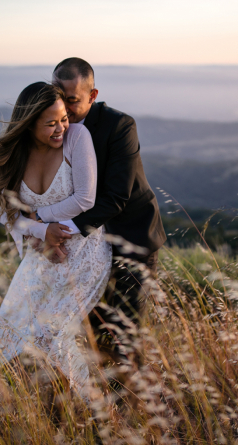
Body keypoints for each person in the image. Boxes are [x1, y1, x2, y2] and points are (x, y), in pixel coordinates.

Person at [0, 82, 112, 401]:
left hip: (84, 250)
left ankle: (92, 403)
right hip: (41, 252)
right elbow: (3, 214)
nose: (61, 128)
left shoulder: (77, 137)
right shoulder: (11, 155)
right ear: (28, 124)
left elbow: (85, 198)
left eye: (64, 118)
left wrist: (40, 219)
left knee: (50, 332)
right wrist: (42, 232)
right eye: (51, 123)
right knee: (5, 328)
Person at [33, 58, 167, 371]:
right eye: (58, 96)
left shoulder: (119, 126)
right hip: (86, 245)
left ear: (93, 96)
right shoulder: (51, 124)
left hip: (130, 238)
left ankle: (135, 400)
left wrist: (58, 228)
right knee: (88, 327)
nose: (63, 107)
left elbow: (116, 197)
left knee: (124, 331)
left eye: (72, 100)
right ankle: (96, 399)